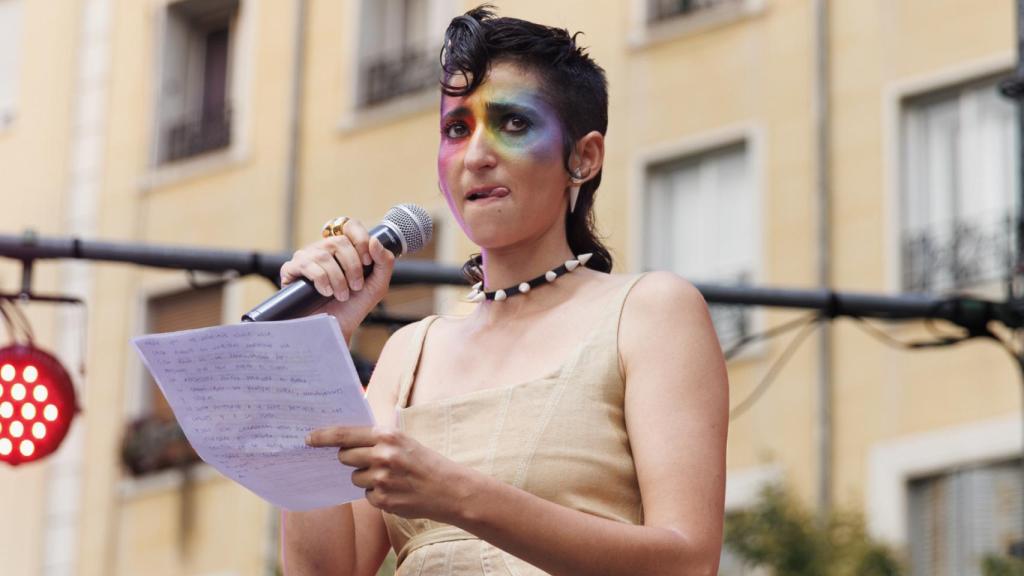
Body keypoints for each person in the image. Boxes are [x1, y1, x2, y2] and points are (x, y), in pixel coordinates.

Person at [279, 6, 728, 575]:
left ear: (583, 158)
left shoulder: (650, 313)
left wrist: (458, 495)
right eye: (456, 129)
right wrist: (308, 354)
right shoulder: (407, 355)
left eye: (513, 123)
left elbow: (688, 563)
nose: (477, 155)